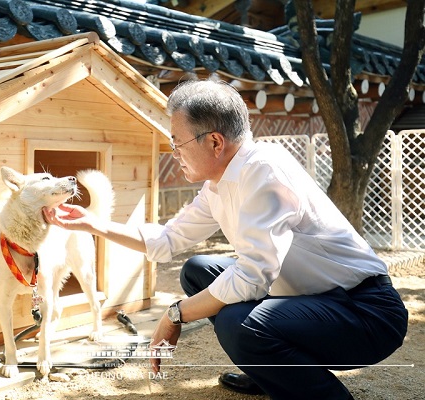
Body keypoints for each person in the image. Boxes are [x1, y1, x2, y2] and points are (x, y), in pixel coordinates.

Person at [42, 79, 408, 400]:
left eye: (177, 142)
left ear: (215, 141)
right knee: (200, 270)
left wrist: (175, 314)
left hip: (365, 313)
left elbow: (252, 276)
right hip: (311, 297)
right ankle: (270, 373)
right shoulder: (219, 183)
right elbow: (168, 239)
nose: (175, 154)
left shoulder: (264, 171)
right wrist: (92, 224)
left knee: (240, 323)